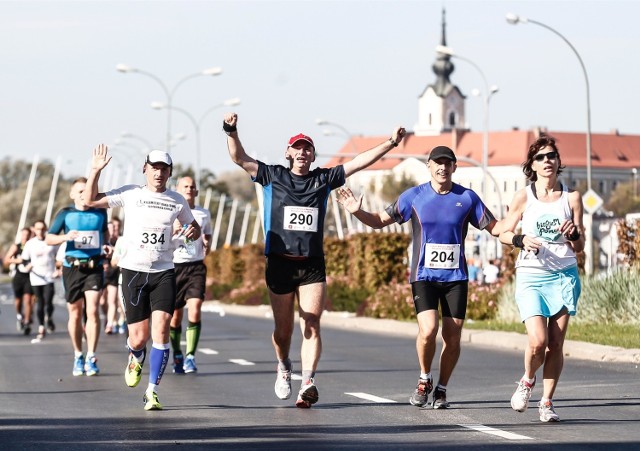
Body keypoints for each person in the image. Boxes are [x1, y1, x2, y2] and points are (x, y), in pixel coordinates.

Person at [224, 112, 406, 408]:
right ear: (288, 153)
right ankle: (284, 366)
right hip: (280, 263)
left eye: (307, 148)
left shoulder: (324, 178)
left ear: (312, 155)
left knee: (311, 323)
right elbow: (239, 157)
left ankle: (307, 381)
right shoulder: (272, 175)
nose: (302, 152)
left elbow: (359, 162)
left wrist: (391, 143)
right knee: (283, 331)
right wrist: (230, 130)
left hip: (311, 264)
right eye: (297, 148)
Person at [336, 145, 503, 409]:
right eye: (437, 163)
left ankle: (442, 389)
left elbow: (495, 228)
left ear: (454, 167)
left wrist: (518, 227)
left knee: (454, 335)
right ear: (429, 166)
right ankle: (424, 378)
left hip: (456, 277)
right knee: (428, 330)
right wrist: (357, 211)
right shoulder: (413, 197)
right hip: (423, 275)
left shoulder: (468, 198)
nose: (442, 167)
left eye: (447, 163)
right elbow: (380, 220)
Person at [83, 145, 201, 411]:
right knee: (139, 337)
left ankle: (152, 391)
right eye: (154, 167)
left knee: (160, 330)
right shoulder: (130, 193)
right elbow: (91, 200)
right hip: (133, 271)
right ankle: (135, 356)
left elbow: (191, 227)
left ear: (169, 172)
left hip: (164, 272)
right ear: (144, 169)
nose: (159, 173)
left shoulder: (177, 200)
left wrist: (191, 233)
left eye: (164, 168)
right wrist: (95, 171)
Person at [497, 135, 584, 423]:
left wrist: (573, 236)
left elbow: (580, 246)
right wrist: (520, 239)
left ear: (558, 162)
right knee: (537, 340)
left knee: (556, 344)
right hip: (532, 275)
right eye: (541, 157)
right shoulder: (524, 196)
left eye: (552, 156)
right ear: (531, 165)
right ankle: (526, 380)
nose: (547, 161)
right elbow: (503, 234)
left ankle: (546, 402)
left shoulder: (572, 197)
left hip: (564, 274)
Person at [46, 177, 110, 377]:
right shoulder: (66, 214)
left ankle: (91, 356)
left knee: (92, 310)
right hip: (71, 268)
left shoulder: (100, 213)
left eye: (87, 190)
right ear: (72, 194)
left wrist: (106, 247)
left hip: (94, 267)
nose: (84, 194)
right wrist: (65, 237)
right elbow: (49, 238)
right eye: (80, 191)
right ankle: (78, 354)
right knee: (75, 312)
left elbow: (105, 235)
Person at [169, 176, 212, 374]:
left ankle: (191, 356)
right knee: (175, 317)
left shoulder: (203, 213)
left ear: (196, 191)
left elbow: (208, 233)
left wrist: (207, 242)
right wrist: (173, 230)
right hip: (174, 266)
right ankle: (177, 352)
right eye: (185, 186)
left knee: (194, 309)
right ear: (177, 189)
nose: (189, 189)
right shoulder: (171, 211)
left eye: (192, 187)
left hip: (195, 267)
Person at [20, 220, 59, 343]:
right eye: (38, 229)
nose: (40, 231)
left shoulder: (52, 242)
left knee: (49, 301)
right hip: (36, 277)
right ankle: (41, 326)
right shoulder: (30, 244)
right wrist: (28, 265)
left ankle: (50, 317)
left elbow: (60, 258)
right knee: (40, 302)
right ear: (34, 230)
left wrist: (58, 269)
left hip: (49, 276)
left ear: (46, 229)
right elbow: (24, 259)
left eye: (42, 228)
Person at [3, 227, 34, 335]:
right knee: (18, 300)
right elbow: (6, 260)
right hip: (18, 276)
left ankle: (26, 322)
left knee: (28, 299)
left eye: (27, 234)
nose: (25, 236)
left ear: (30, 235)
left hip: (30, 276)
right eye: (23, 234)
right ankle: (19, 315)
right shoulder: (16, 246)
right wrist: (17, 260)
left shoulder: (32, 246)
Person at [101, 217, 123, 334]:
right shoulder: (101, 242)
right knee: (102, 302)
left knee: (112, 300)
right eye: (109, 229)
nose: (112, 231)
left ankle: (110, 323)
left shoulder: (118, 241)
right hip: (102, 274)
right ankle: (107, 317)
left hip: (114, 273)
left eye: (113, 228)